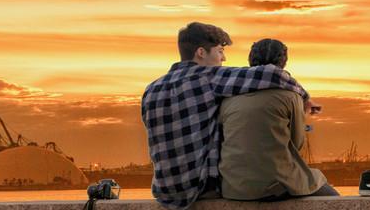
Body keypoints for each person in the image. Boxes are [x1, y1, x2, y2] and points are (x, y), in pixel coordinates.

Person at [141, 22, 317, 210]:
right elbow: (272, 74)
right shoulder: (208, 77)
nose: (223, 58)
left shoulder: (151, 90)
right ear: (201, 52)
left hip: (165, 191)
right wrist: (304, 97)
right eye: (219, 51)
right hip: (200, 189)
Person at [219, 38, 339, 200]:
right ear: (284, 62)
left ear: (250, 61)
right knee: (332, 196)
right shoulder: (291, 97)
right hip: (275, 184)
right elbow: (297, 142)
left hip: (234, 187)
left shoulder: (228, 98)